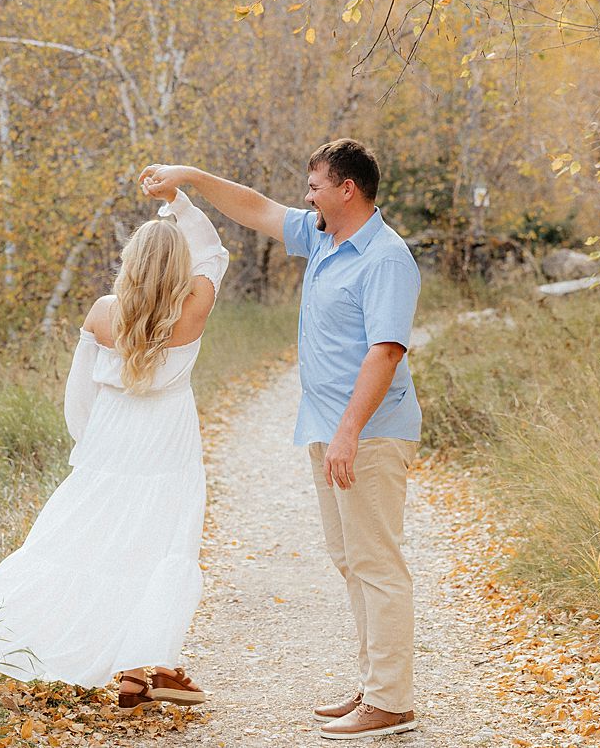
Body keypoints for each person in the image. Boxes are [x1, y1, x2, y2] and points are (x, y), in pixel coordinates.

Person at [139, 139, 421, 741]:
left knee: (377, 562)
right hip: (329, 426)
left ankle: (390, 701)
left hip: (367, 432)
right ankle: (377, 686)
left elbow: (387, 351)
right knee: (351, 560)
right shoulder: (322, 236)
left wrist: (349, 435)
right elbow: (254, 206)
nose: (306, 195)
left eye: (315, 185)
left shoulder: (386, 257)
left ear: (348, 189)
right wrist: (189, 174)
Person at [0, 180, 229, 712]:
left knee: (95, 548)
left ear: (130, 261)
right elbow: (214, 252)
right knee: (163, 549)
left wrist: (93, 449)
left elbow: (78, 396)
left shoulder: (105, 312)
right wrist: (180, 201)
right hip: (169, 453)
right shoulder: (193, 306)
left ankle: (136, 674)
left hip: (111, 451)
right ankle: (141, 669)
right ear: (179, 267)